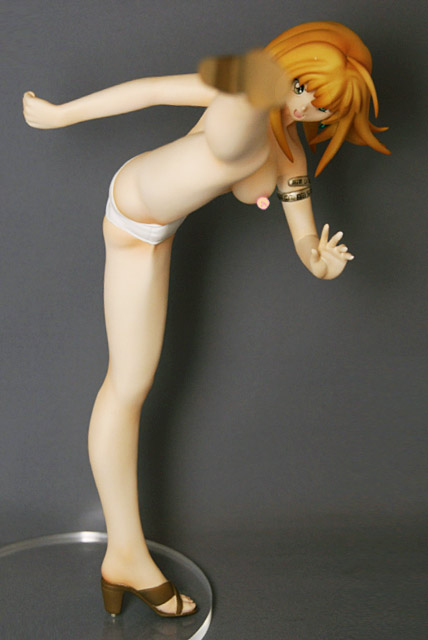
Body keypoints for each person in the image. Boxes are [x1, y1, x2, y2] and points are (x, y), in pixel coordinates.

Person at [22, 21, 389, 618]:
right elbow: (152, 90)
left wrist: (316, 259)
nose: (306, 109)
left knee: (130, 387)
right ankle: (126, 554)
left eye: (322, 107)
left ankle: (123, 556)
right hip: (135, 204)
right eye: (303, 90)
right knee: (240, 119)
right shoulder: (248, 96)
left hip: (158, 232)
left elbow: (301, 226)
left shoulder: (291, 151)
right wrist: (63, 115)